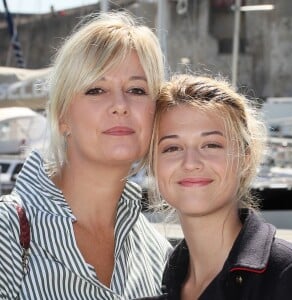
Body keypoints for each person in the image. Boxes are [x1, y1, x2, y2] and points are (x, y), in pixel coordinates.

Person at [0, 11, 172, 300]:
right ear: (62, 116)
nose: (120, 105)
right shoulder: (7, 231)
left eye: (136, 89)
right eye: (96, 89)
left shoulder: (156, 250)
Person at [143, 74, 292, 299]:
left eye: (211, 145)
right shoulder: (167, 278)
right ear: (153, 165)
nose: (191, 163)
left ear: (245, 158)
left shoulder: (290, 274)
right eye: (172, 148)